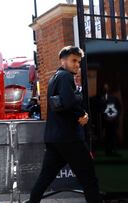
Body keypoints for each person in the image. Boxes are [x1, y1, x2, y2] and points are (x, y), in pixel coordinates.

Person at [28, 46, 102, 203]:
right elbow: (68, 102)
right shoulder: (65, 77)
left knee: (45, 177)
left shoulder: (55, 77)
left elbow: (61, 104)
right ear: (63, 61)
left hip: (55, 138)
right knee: (89, 179)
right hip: (70, 139)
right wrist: (82, 114)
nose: (77, 65)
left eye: (79, 61)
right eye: (73, 60)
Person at [100, 83, 120, 156]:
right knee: (108, 136)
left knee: (113, 135)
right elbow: (101, 109)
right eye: (105, 88)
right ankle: (108, 151)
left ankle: (114, 150)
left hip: (113, 120)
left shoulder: (114, 98)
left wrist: (115, 117)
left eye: (107, 88)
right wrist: (106, 117)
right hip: (106, 121)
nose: (106, 89)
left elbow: (118, 108)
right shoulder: (101, 99)